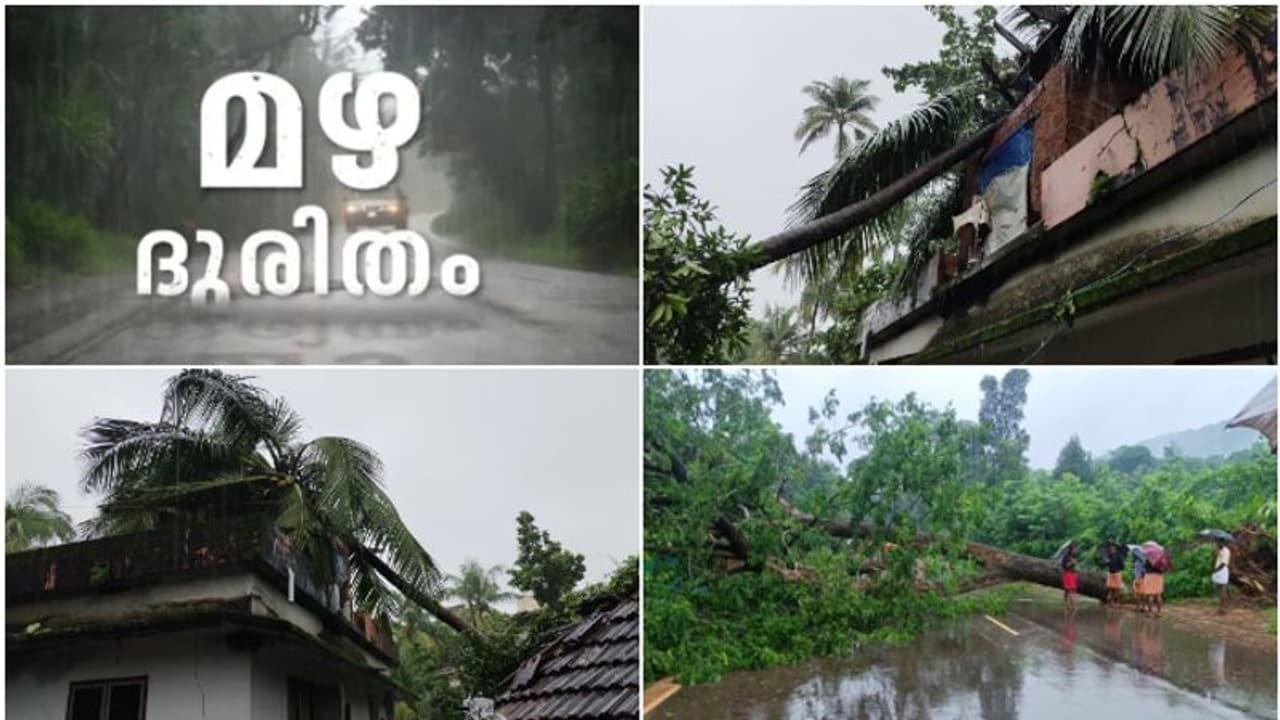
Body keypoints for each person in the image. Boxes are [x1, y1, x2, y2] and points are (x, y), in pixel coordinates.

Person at [1212, 539, 1231, 614]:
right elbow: (1216, 560)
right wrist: (1215, 553)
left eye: (1218, 542)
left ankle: (1223, 609)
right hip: (1219, 570)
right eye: (1217, 542)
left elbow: (1223, 563)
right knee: (1220, 590)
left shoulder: (1226, 550)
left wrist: (1216, 570)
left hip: (1222, 570)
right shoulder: (1220, 550)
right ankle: (1221, 608)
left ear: (1222, 543)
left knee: (1223, 590)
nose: (1217, 544)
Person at [1061, 543, 1078, 612]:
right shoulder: (1066, 557)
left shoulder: (1073, 556)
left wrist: (1074, 568)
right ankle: (1072, 606)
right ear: (1071, 549)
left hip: (1072, 574)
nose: (1076, 550)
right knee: (1068, 591)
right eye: (1074, 548)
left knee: (1069, 591)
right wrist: (1071, 563)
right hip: (1067, 574)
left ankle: (1068, 606)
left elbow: (1074, 566)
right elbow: (1064, 566)